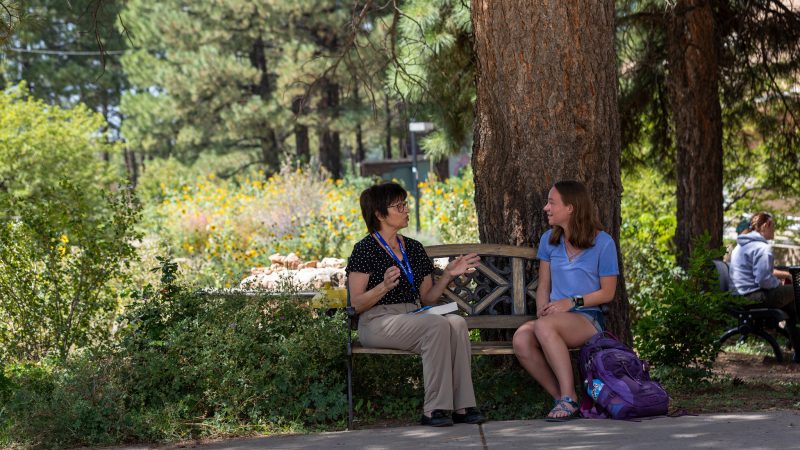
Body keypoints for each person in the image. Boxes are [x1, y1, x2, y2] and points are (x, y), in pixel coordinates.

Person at [346, 182, 486, 427]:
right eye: (398, 205)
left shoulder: (413, 248)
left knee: (456, 323)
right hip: (377, 321)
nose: (405, 209)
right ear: (379, 214)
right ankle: (435, 409)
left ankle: (463, 406)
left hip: (415, 314)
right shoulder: (364, 249)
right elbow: (355, 304)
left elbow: (428, 298)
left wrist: (448, 275)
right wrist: (383, 287)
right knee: (436, 325)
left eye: (405, 203)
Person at [512, 180, 619, 421]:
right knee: (521, 339)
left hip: (588, 317)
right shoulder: (549, 240)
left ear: (570, 208)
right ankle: (563, 397)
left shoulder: (604, 243)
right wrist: (542, 309)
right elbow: (544, 286)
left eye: (552, 202)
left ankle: (569, 397)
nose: (545, 208)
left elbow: (607, 292)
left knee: (543, 327)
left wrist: (572, 302)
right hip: (553, 318)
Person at [729, 212, 796, 320]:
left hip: (738, 296)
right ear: (766, 225)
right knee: (797, 290)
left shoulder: (740, 246)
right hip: (752, 298)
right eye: (773, 226)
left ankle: (791, 331)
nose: (774, 229)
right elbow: (764, 280)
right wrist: (778, 284)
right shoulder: (762, 248)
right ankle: (793, 331)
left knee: (789, 294)